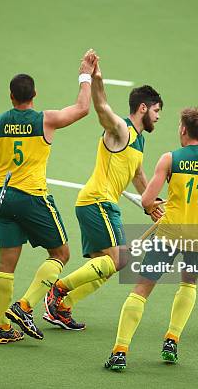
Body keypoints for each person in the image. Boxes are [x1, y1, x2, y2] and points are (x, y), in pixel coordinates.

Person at [0, 49, 97, 343]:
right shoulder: (44, 120)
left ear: (11, 97)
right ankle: (24, 306)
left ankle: (1, 327)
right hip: (33, 197)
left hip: (4, 198)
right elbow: (82, 108)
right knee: (61, 253)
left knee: (6, 262)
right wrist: (85, 74)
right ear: (34, 94)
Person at [105, 107, 198, 370]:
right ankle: (171, 340)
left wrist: (174, 202)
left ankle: (120, 351)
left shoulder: (170, 159)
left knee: (141, 290)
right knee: (188, 285)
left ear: (184, 130)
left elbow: (147, 200)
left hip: (169, 234)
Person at [44, 60, 164, 330]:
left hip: (101, 204)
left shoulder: (139, 140)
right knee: (119, 259)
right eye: (156, 110)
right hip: (97, 201)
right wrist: (94, 79)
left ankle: (62, 308)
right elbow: (102, 108)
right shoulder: (120, 129)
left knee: (107, 265)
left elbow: (138, 175)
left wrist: (150, 203)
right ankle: (58, 290)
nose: (158, 116)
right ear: (142, 108)